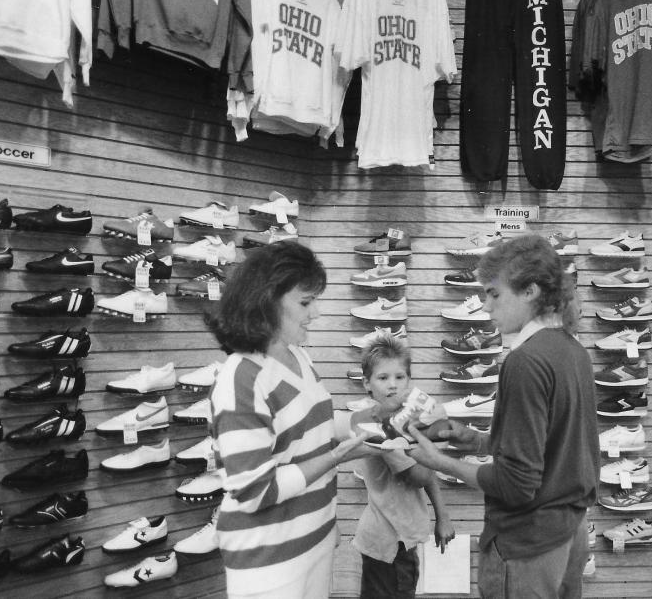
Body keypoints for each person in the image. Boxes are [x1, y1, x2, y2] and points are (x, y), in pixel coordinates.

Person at [409, 233, 600, 599]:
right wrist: (472, 438)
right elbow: (549, 448)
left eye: (494, 293)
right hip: (570, 532)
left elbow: (516, 483)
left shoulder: (525, 361)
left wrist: (438, 461)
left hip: (527, 542)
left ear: (529, 291)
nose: (486, 306)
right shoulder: (573, 351)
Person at [206, 242, 376, 599]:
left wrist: (373, 418)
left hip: (313, 541)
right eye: (305, 302)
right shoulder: (242, 377)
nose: (316, 313)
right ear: (266, 300)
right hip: (268, 559)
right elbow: (254, 492)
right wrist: (335, 458)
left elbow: (315, 427)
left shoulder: (298, 355)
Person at [335, 334, 456, 599]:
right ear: (367, 384)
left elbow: (427, 472)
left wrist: (442, 515)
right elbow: (421, 474)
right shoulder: (382, 429)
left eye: (400, 377)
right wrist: (432, 438)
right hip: (390, 543)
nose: (393, 385)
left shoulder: (401, 420)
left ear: (409, 380)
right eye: (383, 378)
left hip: (396, 538)